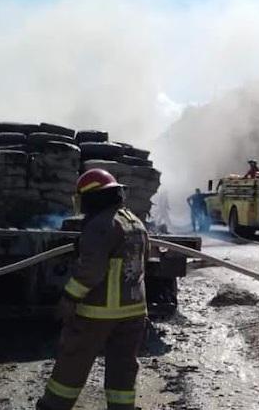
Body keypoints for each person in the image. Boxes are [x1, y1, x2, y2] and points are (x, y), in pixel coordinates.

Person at [37, 168, 149, 410]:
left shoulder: (99, 225)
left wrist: (69, 297)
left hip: (98, 312)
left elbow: (92, 271)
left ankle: (52, 406)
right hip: (134, 313)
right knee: (123, 368)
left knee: (73, 361)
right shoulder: (134, 221)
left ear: (92, 197)